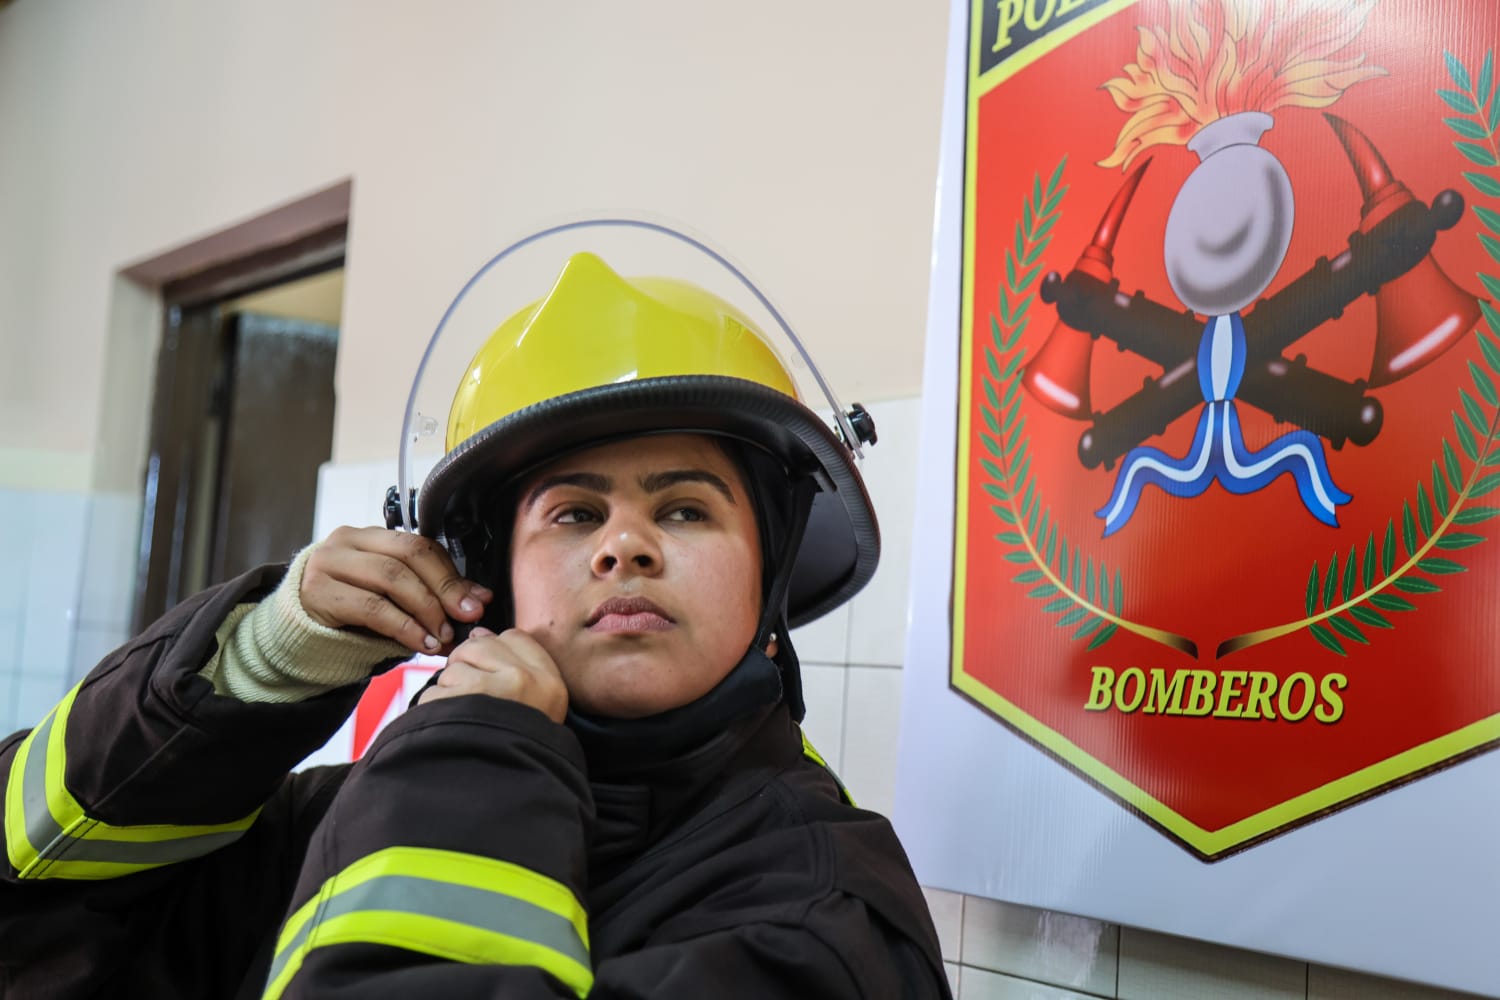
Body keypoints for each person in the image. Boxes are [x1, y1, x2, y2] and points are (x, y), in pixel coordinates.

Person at [0, 239, 950, 998]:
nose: (626, 548)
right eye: (574, 514)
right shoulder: (347, 820)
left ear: (768, 579)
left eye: (685, 509)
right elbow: (38, 926)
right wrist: (257, 667)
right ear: (491, 583)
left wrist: (476, 758)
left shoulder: (825, 919)